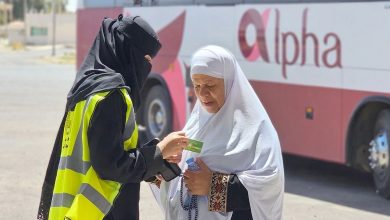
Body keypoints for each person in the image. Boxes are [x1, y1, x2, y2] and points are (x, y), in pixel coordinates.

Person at [37, 14, 187, 220]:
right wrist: (158, 153)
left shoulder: (87, 87)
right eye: (145, 60)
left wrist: (153, 157)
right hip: (98, 212)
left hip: (72, 210)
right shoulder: (111, 95)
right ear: (127, 52)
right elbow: (111, 165)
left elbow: (102, 150)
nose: (146, 68)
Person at [152, 45, 285, 220]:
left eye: (210, 85)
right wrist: (167, 165)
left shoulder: (256, 129)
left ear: (230, 83)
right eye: (197, 85)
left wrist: (213, 186)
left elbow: (270, 186)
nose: (202, 93)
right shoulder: (197, 123)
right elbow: (182, 179)